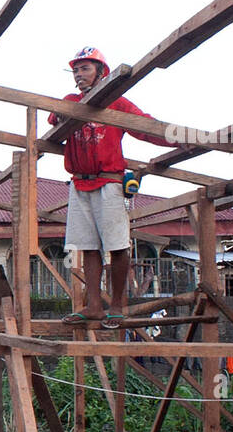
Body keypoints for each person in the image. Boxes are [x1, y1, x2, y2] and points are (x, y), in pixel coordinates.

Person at [50, 46, 176, 329]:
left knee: (117, 244)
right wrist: (61, 115)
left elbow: (145, 126)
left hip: (109, 179)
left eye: (85, 68)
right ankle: (94, 306)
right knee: (88, 246)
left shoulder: (117, 103)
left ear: (101, 72)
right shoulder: (71, 101)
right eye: (76, 70)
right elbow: (55, 117)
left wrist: (180, 138)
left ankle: (117, 305)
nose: (79, 74)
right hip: (80, 181)